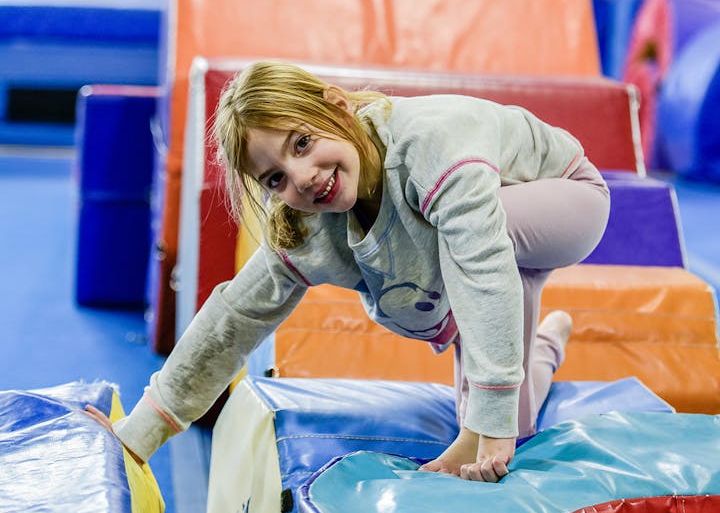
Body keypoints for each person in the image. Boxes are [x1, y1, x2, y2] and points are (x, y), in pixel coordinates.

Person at [86, 60, 610, 483]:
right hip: (469, 259)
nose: (304, 177)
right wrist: (141, 431)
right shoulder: (307, 222)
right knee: (512, 424)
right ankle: (546, 345)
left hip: (563, 199)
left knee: (491, 417)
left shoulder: (430, 141)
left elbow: (481, 261)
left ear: (337, 108)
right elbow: (233, 318)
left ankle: (504, 384)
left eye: (302, 143)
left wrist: (488, 424)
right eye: (275, 178)